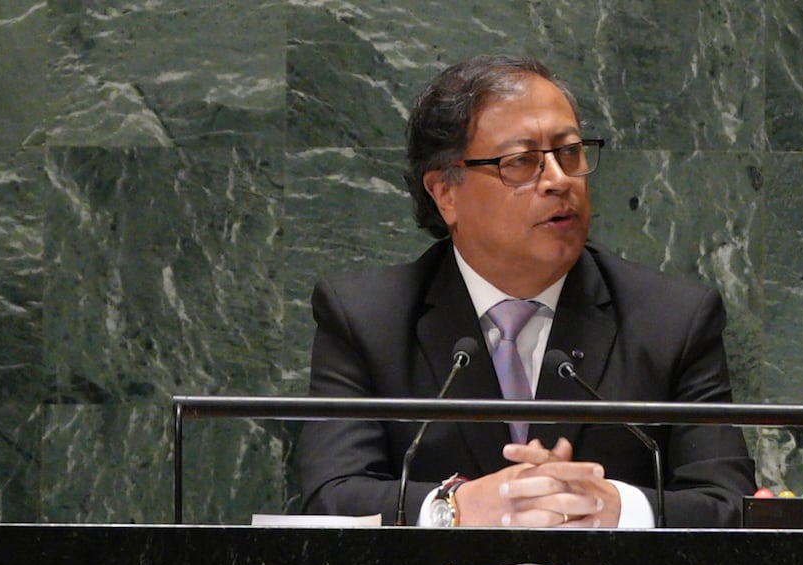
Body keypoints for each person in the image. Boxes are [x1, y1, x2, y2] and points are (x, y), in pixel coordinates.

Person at [296, 55, 755, 528]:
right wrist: (454, 508)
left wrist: (616, 507)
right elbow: (330, 498)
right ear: (445, 194)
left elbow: (732, 505)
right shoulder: (366, 320)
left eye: (570, 152)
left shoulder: (672, 320)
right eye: (522, 162)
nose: (559, 180)